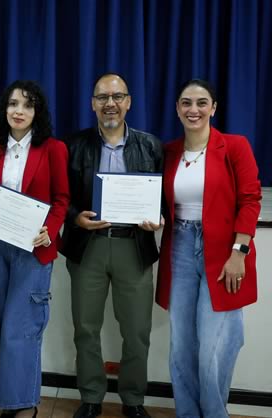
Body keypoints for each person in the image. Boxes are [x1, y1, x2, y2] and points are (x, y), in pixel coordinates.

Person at [156, 79, 261, 417]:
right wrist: (153, 216)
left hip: (224, 250)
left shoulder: (235, 146)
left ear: (213, 108)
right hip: (180, 248)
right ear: (177, 109)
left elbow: (250, 200)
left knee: (214, 347)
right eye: (186, 102)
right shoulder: (169, 151)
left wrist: (238, 252)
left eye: (202, 103)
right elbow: (160, 201)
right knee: (182, 346)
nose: (194, 109)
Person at [60, 73, 163, 418]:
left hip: (133, 248)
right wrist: (76, 218)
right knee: (85, 328)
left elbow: (162, 198)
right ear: (93, 104)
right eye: (103, 97)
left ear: (129, 102)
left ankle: (133, 400)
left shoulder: (150, 146)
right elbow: (61, 198)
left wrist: (158, 216)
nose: (110, 104)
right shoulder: (73, 146)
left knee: (137, 332)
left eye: (117, 96)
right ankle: (91, 397)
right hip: (88, 246)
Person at [0, 80, 69, 418]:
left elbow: (61, 200)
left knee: (22, 326)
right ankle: (6, 399)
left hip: (33, 248)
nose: (18, 111)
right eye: (13, 104)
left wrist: (50, 232)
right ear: (4, 109)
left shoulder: (54, 149)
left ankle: (25, 403)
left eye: (27, 106)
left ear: (36, 112)